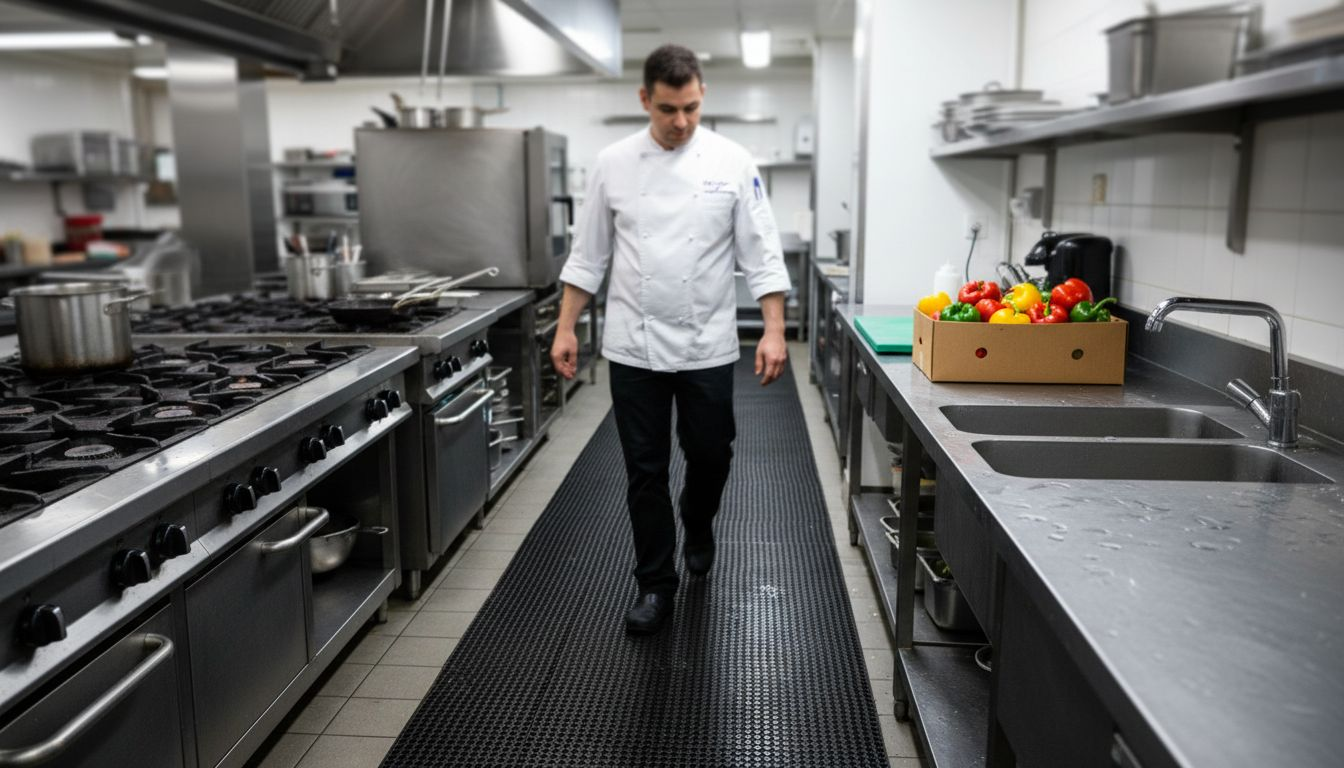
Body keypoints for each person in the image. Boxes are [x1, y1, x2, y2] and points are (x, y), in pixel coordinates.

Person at [550, 44, 792, 635]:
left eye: (690, 107)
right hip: (633, 344)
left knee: (712, 455)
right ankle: (656, 584)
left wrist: (775, 331)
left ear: (702, 94)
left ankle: (699, 519)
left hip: (707, 341)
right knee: (644, 470)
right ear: (644, 99)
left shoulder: (733, 161)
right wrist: (565, 327)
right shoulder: (611, 163)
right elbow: (589, 257)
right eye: (667, 109)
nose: (680, 121)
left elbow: (761, 253)